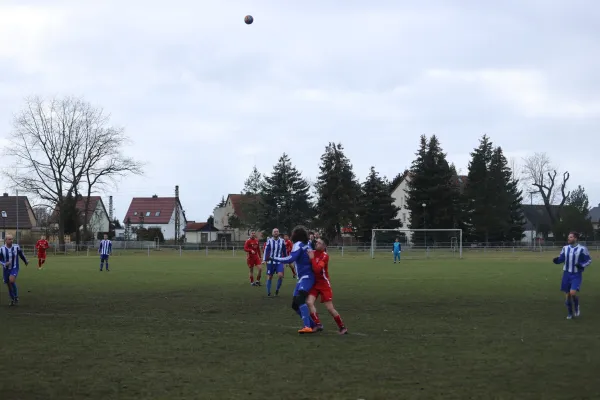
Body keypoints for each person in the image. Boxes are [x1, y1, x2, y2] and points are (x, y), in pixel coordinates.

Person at [268, 226, 316, 333]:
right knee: (295, 305)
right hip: (304, 277)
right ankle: (314, 325)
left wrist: (274, 258)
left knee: (300, 299)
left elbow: (290, 258)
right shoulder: (306, 244)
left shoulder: (298, 244)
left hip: (306, 277)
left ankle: (307, 326)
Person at [307, 238, 348, 334]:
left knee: (330, 308)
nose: (316, 243)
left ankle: (342, 327)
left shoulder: (325, 256)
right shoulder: (312, 252)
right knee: (309, 302)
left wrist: (312, 259)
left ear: (324, 246)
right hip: (315, 283)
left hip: (324, 284)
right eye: (316, 242)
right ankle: (318, 324)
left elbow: (317, 270)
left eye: (319, 243)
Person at [553, 231, 592, 319]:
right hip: (566, 274)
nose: (568, 238)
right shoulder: (565, 248)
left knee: (572, 292)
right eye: (568, 237)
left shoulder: (582, 249)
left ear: (575, 238)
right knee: (567, 296)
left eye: (570, 237)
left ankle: (577, 306)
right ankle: (570, 313)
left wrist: (581, 265)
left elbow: (588, 260)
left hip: (576, 274)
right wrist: (557, 261)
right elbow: (562, 258)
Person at [0, 234, 29, 306]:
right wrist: (4, 263)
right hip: (6, 269)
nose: (11, 240)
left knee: (11, 280)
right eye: (9, 239)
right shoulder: (1, 249)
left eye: (12, 239)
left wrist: (25, 261)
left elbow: (21, 254)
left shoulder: (16, 247)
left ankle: (16, 296)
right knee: (9, 285)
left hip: (14, 267)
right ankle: (13, 299)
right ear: (5, 240)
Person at [263, 228, 287, 297]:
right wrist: (265, 260)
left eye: (277, 231)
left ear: (278, 233)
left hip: (279, 261)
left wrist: (286, 260)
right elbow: (266, 251)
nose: (276, 233)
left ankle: (277, 290)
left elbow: (284, 251)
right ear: (272, 233)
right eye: (274, 232)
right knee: (270, 277)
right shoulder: (269, 241)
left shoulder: (282, 241)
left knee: (280, 275)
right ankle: (268, 292)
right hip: (271, 262)